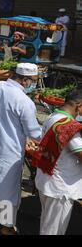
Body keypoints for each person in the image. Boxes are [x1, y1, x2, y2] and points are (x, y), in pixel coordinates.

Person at [0, 63, 42, 235]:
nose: (34, 84)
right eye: (33, 81)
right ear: (25, 80)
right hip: (9, 151)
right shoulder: (24, 101)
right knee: (8, 188)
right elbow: (34, 133)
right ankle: (5, 225)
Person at [32, 89, 82, 235]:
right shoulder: (69, 127)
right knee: (53, 230)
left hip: (48, 179)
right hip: (60, 187)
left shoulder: (53, 116)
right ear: (79, 106)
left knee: (48, 224)